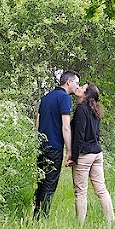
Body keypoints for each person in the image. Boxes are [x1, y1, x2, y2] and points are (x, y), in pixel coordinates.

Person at [33, 70, 80, 218]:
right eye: (76, 83)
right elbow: (65, 127)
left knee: (40, 181)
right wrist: (70, 150)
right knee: (49, 183)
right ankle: (41, 219)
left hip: (41, 146)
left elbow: (37, 124)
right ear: (68, 82)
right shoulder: (64, 98)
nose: (77, 86)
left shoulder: (46, 98)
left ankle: (35, 214)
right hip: (54, 147)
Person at [70, 82, 115, 224]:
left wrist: (73, 157)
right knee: (101, 189)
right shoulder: (95, 110)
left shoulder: (81, 109)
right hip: (97, 153)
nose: (78, 88)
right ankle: (111, 221)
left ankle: (79, 226)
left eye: (82, 87)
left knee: (81, 192)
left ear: (86, 94)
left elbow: (79, 136)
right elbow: (96, 134)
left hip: (85, 155)